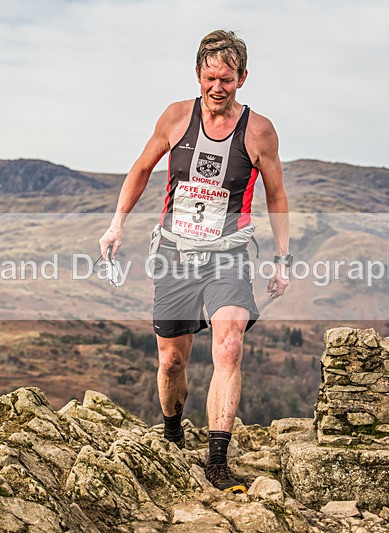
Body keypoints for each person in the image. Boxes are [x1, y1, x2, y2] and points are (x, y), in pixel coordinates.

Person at [99, 30, 290, 493]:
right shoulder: (175, 118)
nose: (217, 88)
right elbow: (141, 169)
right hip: (175, 253)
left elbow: (277, 195)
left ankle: (218, 463)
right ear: (198, 75)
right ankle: (171, 432)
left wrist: (283, 258)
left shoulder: (259, 131)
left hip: (229, 255)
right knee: (170, 363)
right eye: (210, 78)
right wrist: (117, 223)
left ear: (242, 78)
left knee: (228, 346)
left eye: (227, 79)